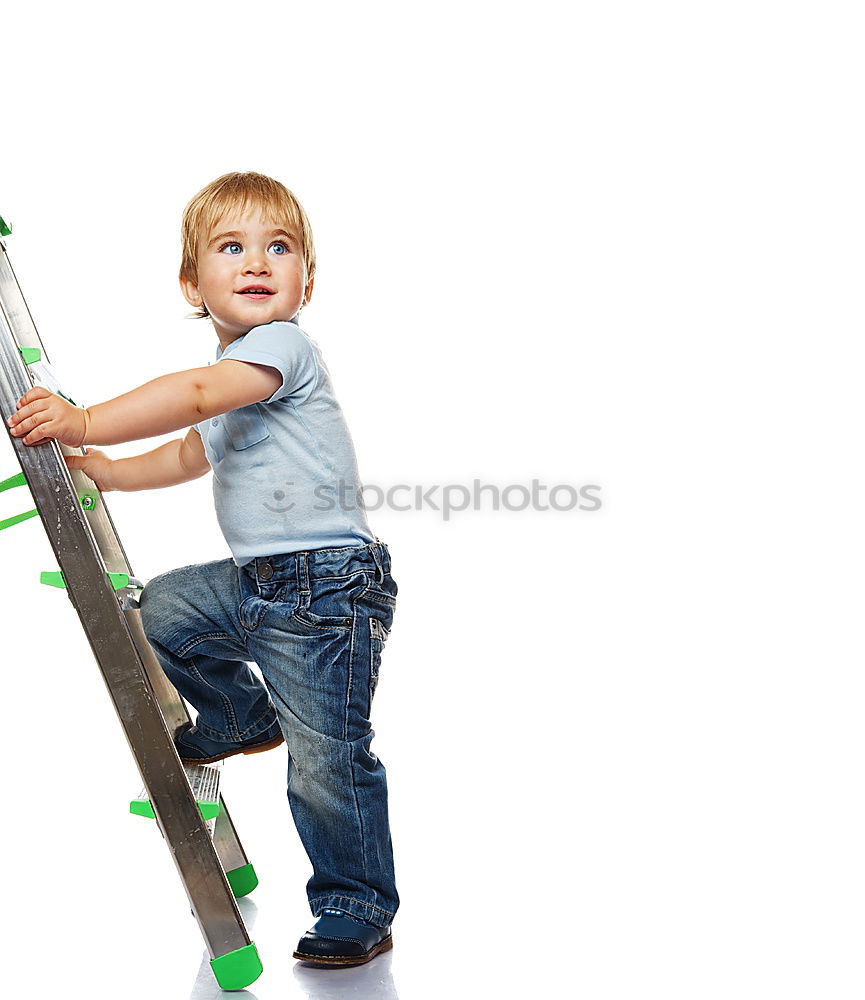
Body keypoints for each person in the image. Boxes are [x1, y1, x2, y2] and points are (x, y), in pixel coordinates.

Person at [6, 171, 399, 968]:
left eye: (278, 248)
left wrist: (84, 421)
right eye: (232, 247)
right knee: (164, 613)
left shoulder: (277, 351)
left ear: (305, 283)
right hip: (257, 581)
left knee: (326, 757)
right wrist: (109, 471)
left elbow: (189, 399)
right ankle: (239, 714)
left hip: (328, 586)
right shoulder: (232, 378)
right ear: (193, 282)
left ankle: (356, 904)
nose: (257, 261)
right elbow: (191, 447)